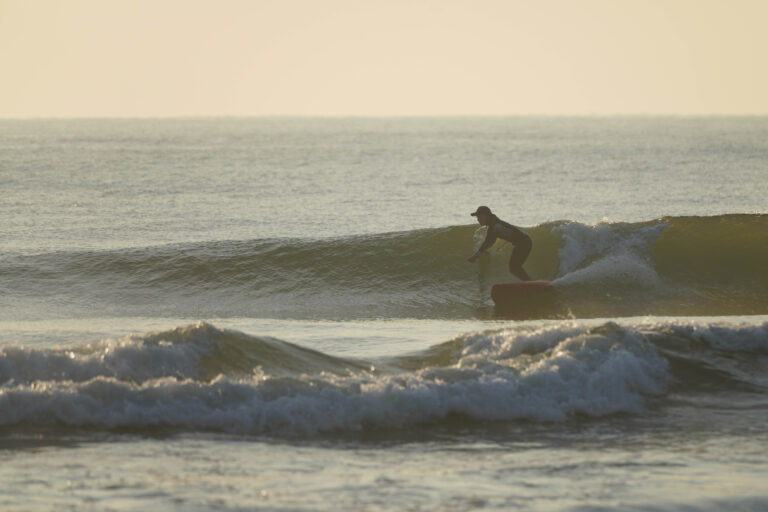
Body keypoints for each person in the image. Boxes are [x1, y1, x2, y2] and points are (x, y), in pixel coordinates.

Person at [467, 206, 532, 281]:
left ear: (486, 216)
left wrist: (475, 256)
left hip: (524, 243)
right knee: (514, 268)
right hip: (521, 243)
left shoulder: (496, 226)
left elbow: (489, 242)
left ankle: (529, 282)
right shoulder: (494, 224)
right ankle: (528, 282)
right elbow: (490, 241)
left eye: (479, 216)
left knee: (514, 268)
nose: (478, 219)